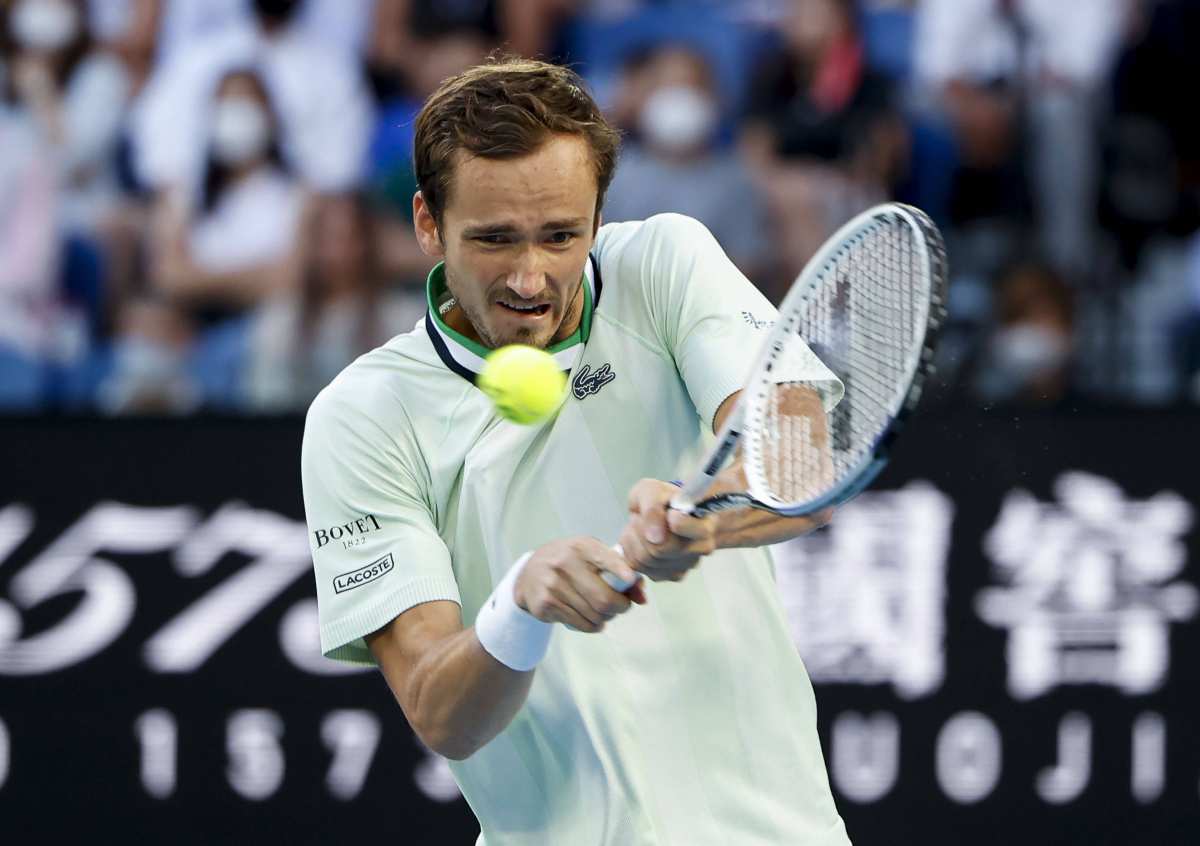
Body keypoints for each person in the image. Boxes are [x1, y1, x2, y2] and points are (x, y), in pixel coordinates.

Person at [301, 59, 851, 845]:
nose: (530, 279)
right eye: (494, 240)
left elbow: (805, 465)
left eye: (561, 235)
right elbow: (439, 713)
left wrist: (709, 520)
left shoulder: (664, 265)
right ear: (428, 223)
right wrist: (521, 605)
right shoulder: (364, 416)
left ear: (597, 216)